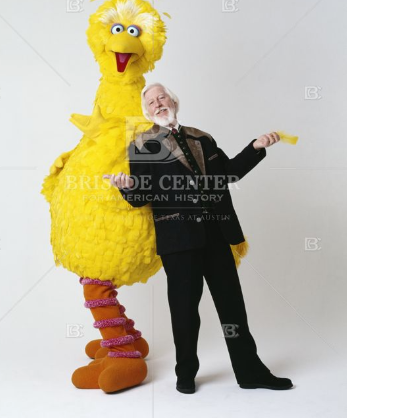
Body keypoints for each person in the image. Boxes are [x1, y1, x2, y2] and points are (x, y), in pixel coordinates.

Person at [103, 82, 293, 393]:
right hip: (178, 239)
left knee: (232, 308)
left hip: (216, 232)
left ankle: (250, 371)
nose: (158, 103)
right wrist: (128, 187)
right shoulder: (141, 145)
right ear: (147, 112)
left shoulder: (202, 137)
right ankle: (186, 373)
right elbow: (142, 196)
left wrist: (255, 147)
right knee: (184, 311)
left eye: (162, 97)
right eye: (151, 102)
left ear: (173, 101)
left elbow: (228, 173)